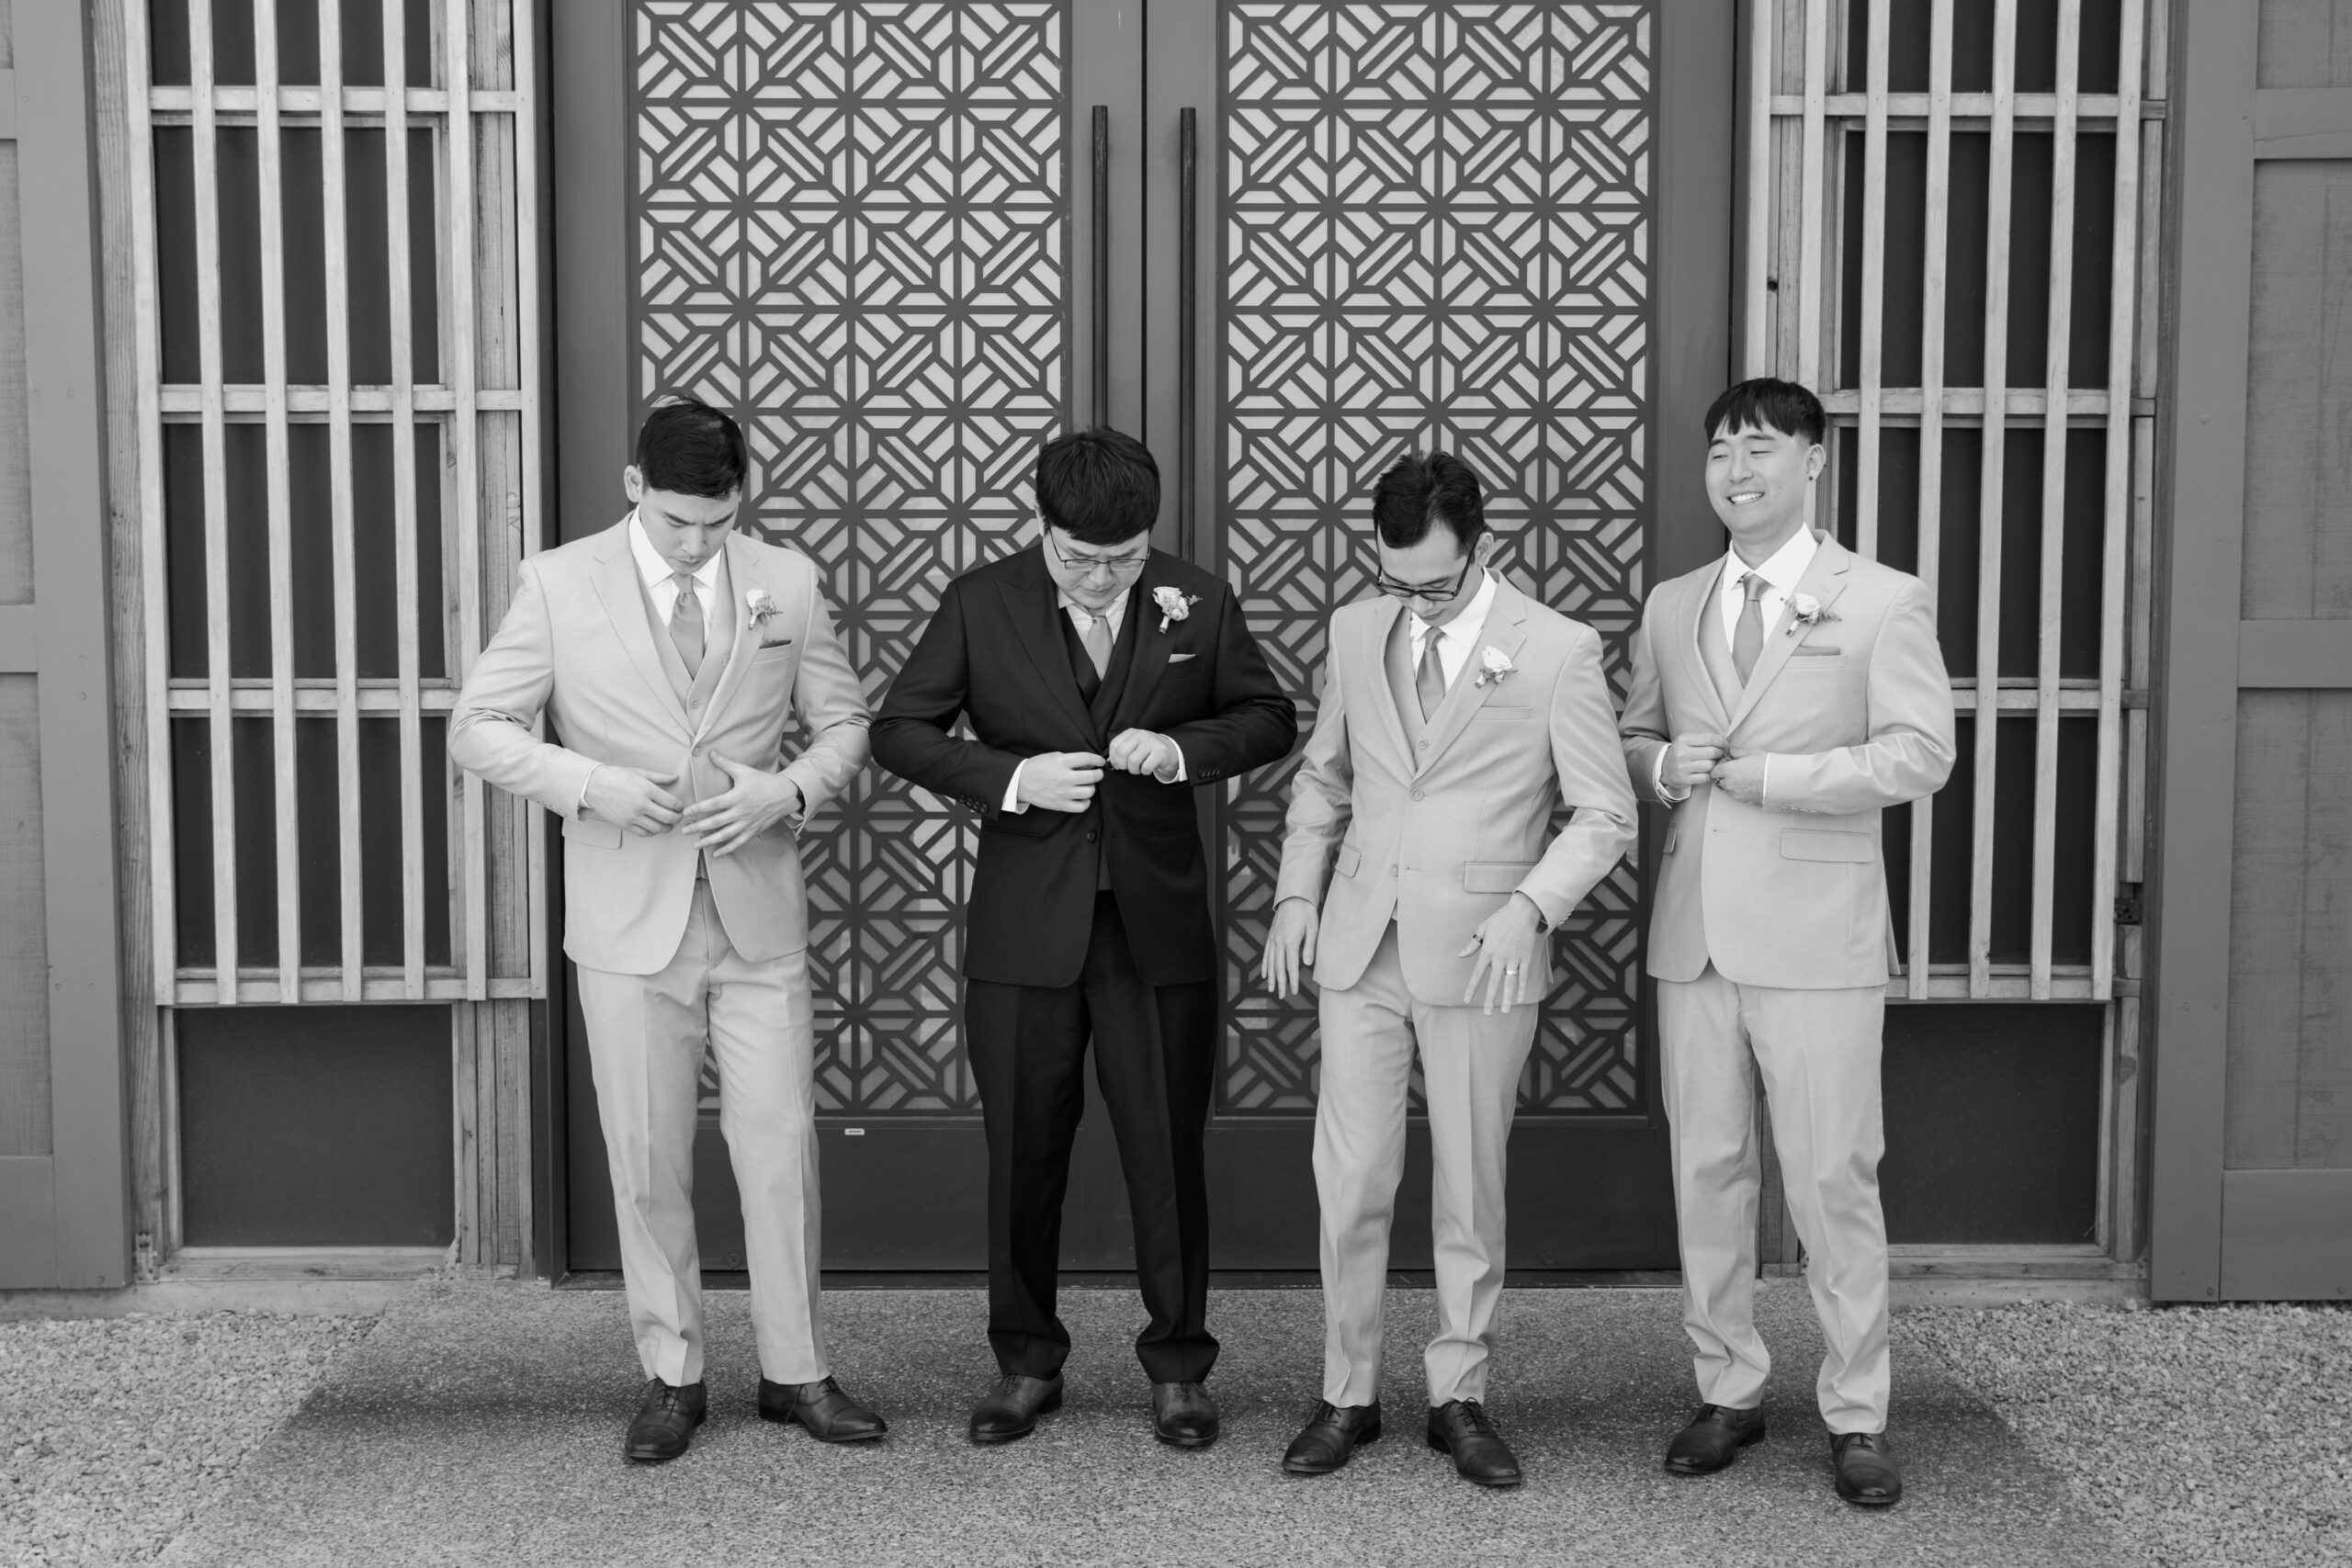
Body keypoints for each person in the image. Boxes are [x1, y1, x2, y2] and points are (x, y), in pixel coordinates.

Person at [448, 398, 884, 1461]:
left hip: (757, 910)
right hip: (625, 914)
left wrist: (783, 793)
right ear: (635, 485)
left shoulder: (786, 580)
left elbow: (845, 725)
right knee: (645, 1156)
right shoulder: (557, 581)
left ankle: (797, 1372)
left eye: (719, 520)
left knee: (780, 1149)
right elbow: (479, 727)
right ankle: (673, 1372)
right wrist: (590, 783)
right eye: (681, 519)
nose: (699, 541)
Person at [870, 427, 1295, 1449]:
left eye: (1125, 558)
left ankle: (1179, 1366)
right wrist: (1010, 778)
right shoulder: (982, 600)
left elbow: (1268, 716)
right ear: (1041, 528)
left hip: (1156, 928)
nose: (1105, 578)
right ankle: (1024, 1360)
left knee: (1166, 1152)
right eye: (1080, 558)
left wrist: (1186, 749)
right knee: (1023, 1152)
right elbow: (900, 729)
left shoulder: (1197, 595)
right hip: (1027, 928)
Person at [1261, 451, 1636, 1488]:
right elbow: (1323, 780)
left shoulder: (1557, 650)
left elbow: (1604, 811)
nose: (1410, 603)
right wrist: (1297, 893)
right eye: (1393, 581)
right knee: (1350, 1178)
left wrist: (1532, 906)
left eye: (1432, 584)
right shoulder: (1353, 627)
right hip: (1359, 938)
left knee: (1469, 1181)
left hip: (1484, 948)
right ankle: (1347, 1392)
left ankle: (1458, 1395)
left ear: (1482, 548)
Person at [1620, 378, 1955, 1506]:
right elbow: (1634, 735)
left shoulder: (1880, 599)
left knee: (1829, 1179)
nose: (1735, 471)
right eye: (1719, 451)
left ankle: (1857, 1412)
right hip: (1695, 934)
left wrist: (1778, 778)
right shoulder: (1673, 603)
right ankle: (1728, 1388)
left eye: (1759, 449)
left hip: (1816, 934)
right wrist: (1661, 768)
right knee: (1707, 1170)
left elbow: (1919, 752)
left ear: (1814, 461)